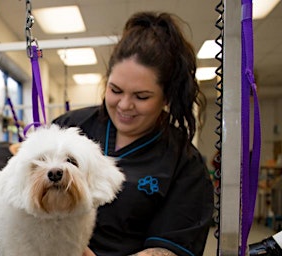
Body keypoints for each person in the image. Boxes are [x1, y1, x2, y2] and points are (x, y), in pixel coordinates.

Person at [51, 11, 214, 256]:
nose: (125, 105)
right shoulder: (72, 126)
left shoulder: (185, 165)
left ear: (166, 97)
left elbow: (171, 249)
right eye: (115, 90)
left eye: (141, 97)